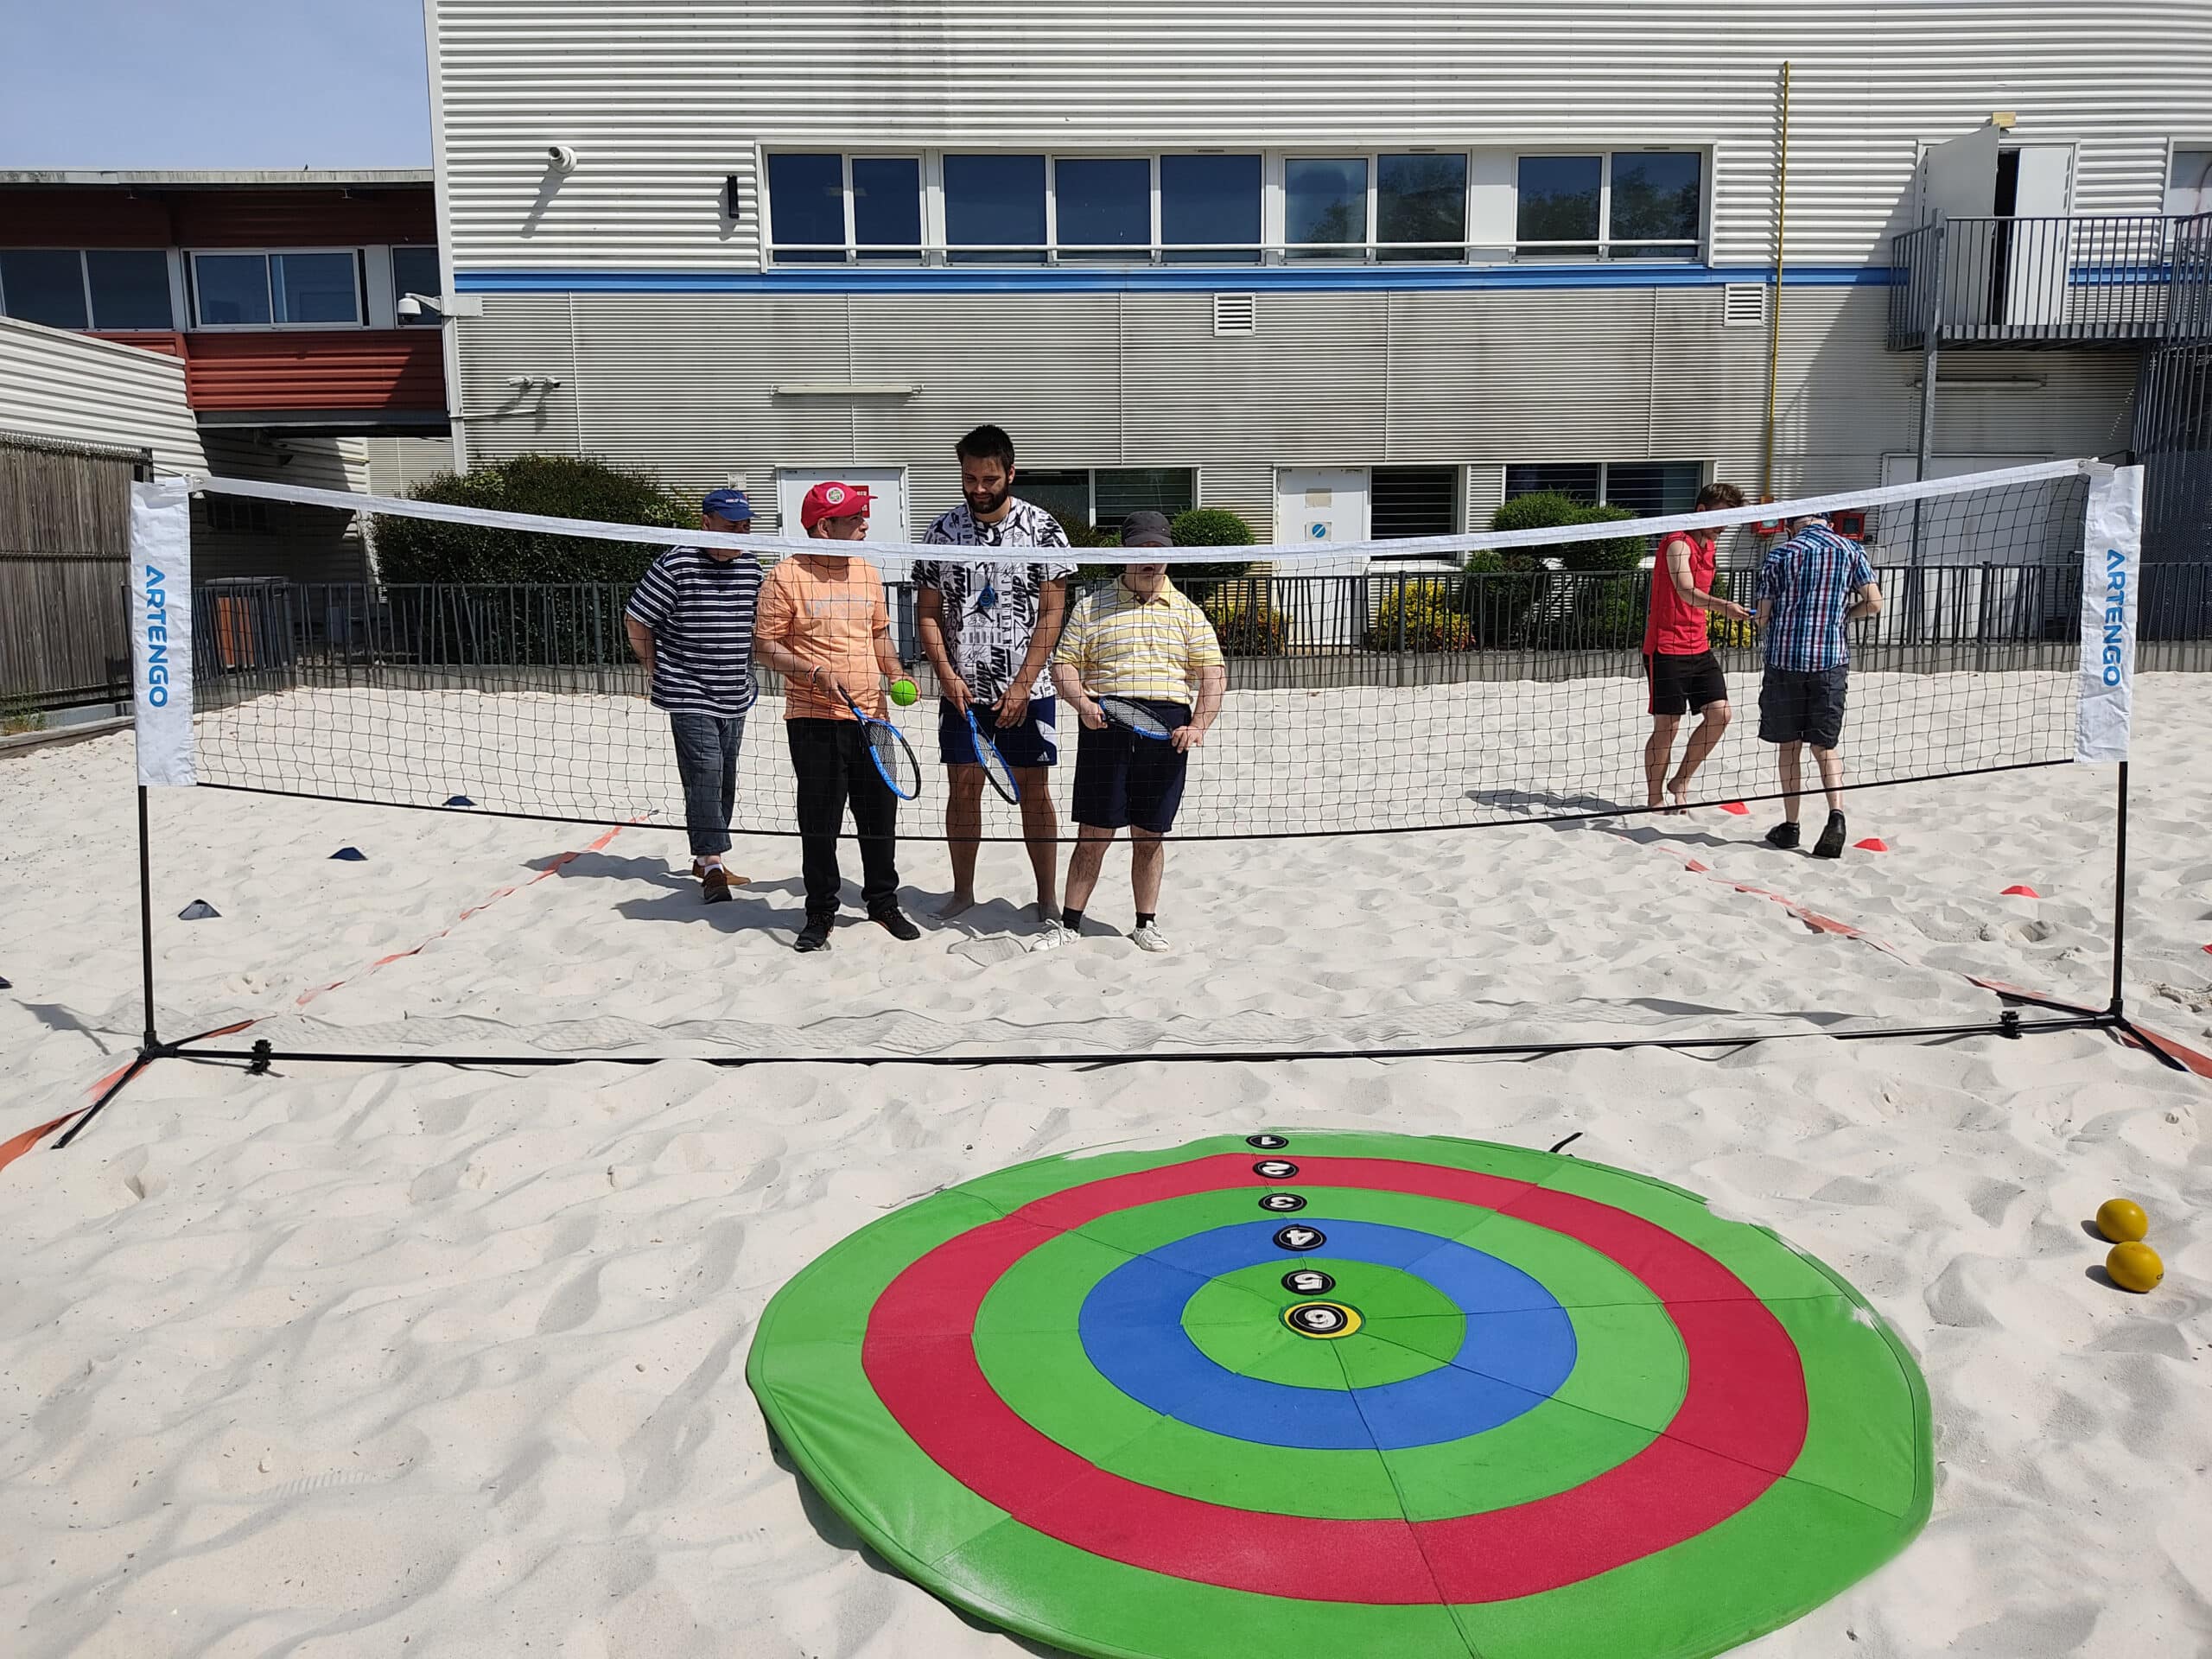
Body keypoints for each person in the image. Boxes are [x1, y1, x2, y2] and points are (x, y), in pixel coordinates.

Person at [1035, 511, 1226, 955]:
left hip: (1167, 732)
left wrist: (1198, 725)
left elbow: (1214, 675)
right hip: (1106, 725)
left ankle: (1145, 923)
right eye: (1142, 551)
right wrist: (1081, 704)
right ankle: (1069, 923)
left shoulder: (1188, 613)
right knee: (1094, 833)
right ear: (1124, 552)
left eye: (1159, 552)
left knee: (1150, 834)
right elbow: (1064, 665)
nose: (1151, 561)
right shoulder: (1091, 606)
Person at [913, 424, 1075, 922]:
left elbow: (1053, 615)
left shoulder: (1045, 531)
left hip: (1031, 692)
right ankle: (963, 892)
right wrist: (946, 677)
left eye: (988, 478)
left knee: (1035, 790)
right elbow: (927, 614)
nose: (978, 489)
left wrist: (1024, 685)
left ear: (1010, 473)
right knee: (963, 789)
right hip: (964, 692)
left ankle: (1047, 898)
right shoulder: (942, 532)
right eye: (969, 478)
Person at [752, 481, 922, 950]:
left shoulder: (867, 573)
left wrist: (895, 671)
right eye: (854, 519)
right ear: (825, 527)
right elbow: (765, 648)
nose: (864, 524)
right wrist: (811, 671)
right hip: (814, 719)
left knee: (878, 816)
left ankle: (883, 902)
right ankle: (820, 910)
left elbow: (880, 635)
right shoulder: (785, 577)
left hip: (873, 718)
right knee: (820, 821)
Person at [623, 487, 763, 903]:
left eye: (745, 526)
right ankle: (713, 862)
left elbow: (760, 626)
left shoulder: (752, 566)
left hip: (735, 689)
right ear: (706, 523)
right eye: (731, 526)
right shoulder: (676, 563)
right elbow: (636, 618)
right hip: (686, 687)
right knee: (705, 768)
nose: (740, 533)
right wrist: (653, 667)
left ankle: (706, 856)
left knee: (726, 771)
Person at [1754, 510, 1883, 858]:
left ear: (1790, 525)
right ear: (1826, 521)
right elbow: (1874, 604)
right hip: (1830, 661)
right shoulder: (1850, 549)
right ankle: (1836, 816)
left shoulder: (1781, 554)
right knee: (1825, 748)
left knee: (1789, 746)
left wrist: (1768, 618)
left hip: (1786, 661)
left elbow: (1763, 617)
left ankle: (1791, 826)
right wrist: (1843, 615)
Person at [1642, 481, 1754, 812]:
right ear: (1701, 511)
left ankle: (1681, 780)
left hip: (1698, 646)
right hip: (1665, 647)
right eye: (1719, 517)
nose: (1723, 526)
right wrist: (1725, 607)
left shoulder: (1710, 544)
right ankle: (1653, 798)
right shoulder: (1678, 542)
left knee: (1720, 715)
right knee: (1668, 726)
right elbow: (1684, 590)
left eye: (1729, 519)